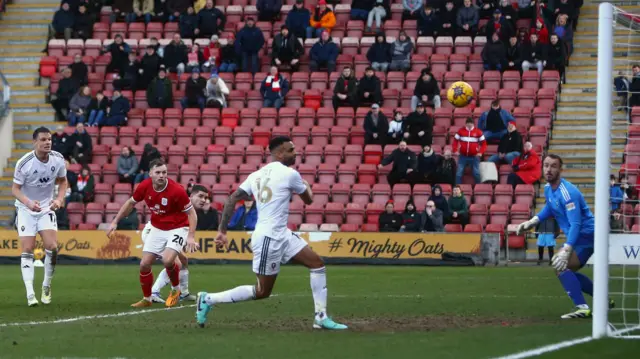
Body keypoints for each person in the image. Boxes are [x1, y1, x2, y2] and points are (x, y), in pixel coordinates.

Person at [195, 136, 348, 330]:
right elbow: (308, 200)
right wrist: (308, 186)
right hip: (269, 238)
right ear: (278, 153)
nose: (295, 153)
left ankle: (321, 316)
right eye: (291, 150)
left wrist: (222, 231)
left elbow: (231, 199)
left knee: (317, 265)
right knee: (262, 292)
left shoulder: (256, 175)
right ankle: (207, 299)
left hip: (281, 234)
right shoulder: (290, 174)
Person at [516, 154, 604, 319]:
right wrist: (533, 221)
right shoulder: (549, 189)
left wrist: (567, 248)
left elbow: (576, 223)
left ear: (560, 170)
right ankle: (602, 299)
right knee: (566, 270)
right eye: (546, 165)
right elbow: (550, 208)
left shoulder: (568, 193)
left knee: (561, 267)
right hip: (579, 235)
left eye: (553, 166)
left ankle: (582, 307)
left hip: (587, 235)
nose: (549, 169)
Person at [107, 159, 199, 308]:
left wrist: (191, 236)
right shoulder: (144, 186)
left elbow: (192, 214)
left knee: (168, 260)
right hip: (157, 227)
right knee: (144, 264)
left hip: (178, 227)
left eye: (164, 172)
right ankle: (147, 298)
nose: (162, 175)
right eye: (158, 172)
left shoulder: (177, 190)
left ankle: (176, 290)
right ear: (150, 174)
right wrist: (115, 221)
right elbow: (130, 203)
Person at [12, 127, 68, 306]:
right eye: (43, 139)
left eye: (49, 139)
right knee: (27, 248)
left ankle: (46, 285)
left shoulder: (58, 159)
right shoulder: (24, 163)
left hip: (45, 208)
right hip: (26, 209)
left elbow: (63, 181)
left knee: (52, 247)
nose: (47, 143)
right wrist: (28, 203)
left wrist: (59, 199)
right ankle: (30, 293)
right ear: (34, 142)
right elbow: (15, 189)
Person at [149, 184, 211, 303]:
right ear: (191, 196)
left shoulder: (190, 214)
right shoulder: (181, 207)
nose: (204, 200)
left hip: (167, 235)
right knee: (175, 263)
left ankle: (184, 293)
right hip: (157, 234)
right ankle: (154, 292)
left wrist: (189, 241)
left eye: (206, 198)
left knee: (183, 261)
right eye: (201, 196)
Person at [452, 118, 486, 184]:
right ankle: (457, 188)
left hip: (474, 156)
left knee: (476, 173)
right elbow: (455, 141)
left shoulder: (478, 132)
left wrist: (480, 152)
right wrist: (455, 150)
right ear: (466, 124)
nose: (469, 126)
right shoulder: (460, 131)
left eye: (471, 125)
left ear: (473, 124)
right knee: (459, 173)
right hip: (463, 156)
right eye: (468, 125)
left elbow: (484, 144)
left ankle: (478, 187)